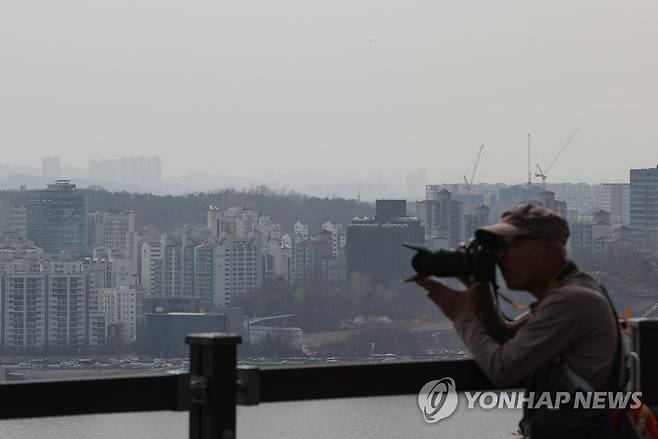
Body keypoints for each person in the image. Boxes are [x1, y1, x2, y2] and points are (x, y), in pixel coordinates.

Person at [416, 203, 619, 438]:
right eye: (499, 247)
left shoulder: (570, 301)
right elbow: (509, 339)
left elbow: (503, 369)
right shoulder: (573, 289)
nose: (502, 256)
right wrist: (479, 293)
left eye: (512, 244)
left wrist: (461, 315)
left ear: (548, 247)